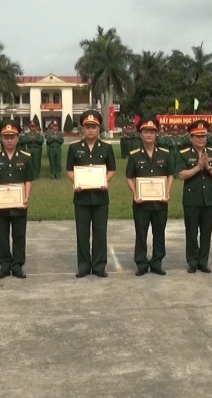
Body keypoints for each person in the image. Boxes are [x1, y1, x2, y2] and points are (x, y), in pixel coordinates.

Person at [66, 110, 117, 277]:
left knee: (100, 232)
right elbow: (69, 170)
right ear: (82, 128)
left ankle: (99, 266)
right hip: (81, 198)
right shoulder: (74, 148)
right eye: (87, 127)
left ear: (99, 128)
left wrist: (105, 181)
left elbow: (112, 169)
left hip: (100, 198)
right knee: (82, 233)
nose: (90, 130)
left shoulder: (107, 148)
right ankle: (83, 266)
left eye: (94, 127)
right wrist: (76, 182)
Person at [0, 119, 34, 279]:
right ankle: (5, 265)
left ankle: (17, 265)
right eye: (6, 137)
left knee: (19, 235)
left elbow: (28, 180)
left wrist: (26, 197)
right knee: (2, 235)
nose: (9, 140)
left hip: (19, 204)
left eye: (12, 137)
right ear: (1, 138)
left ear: (18, 138)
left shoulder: (25, 158)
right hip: (0, 205)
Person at [125, 116, 174, 276]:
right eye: (146, 131)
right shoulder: (134, 155)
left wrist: (167, 192)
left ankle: (157, 262)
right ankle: (141, 263)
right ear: (140, 134)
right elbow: (129, 177)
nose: (149, 134)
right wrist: (135, 193)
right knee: (141, 233)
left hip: (160, 202)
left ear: (156, 134)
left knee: (159, 233)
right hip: (141, 203)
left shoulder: (165, 154)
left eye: (152, 131)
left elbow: (170, 174)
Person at [177, 119, 212, 273]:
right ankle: (192, 262)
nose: (201, 139)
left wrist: (208, 167)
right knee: (191, 232)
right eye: (197, 136)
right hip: (191, 199)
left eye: (203, 136)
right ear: (191, 137)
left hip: (208, 198)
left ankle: (203, 261)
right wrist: (198, 167)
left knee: (206, 232)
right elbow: (181, 174)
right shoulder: (184, 154)